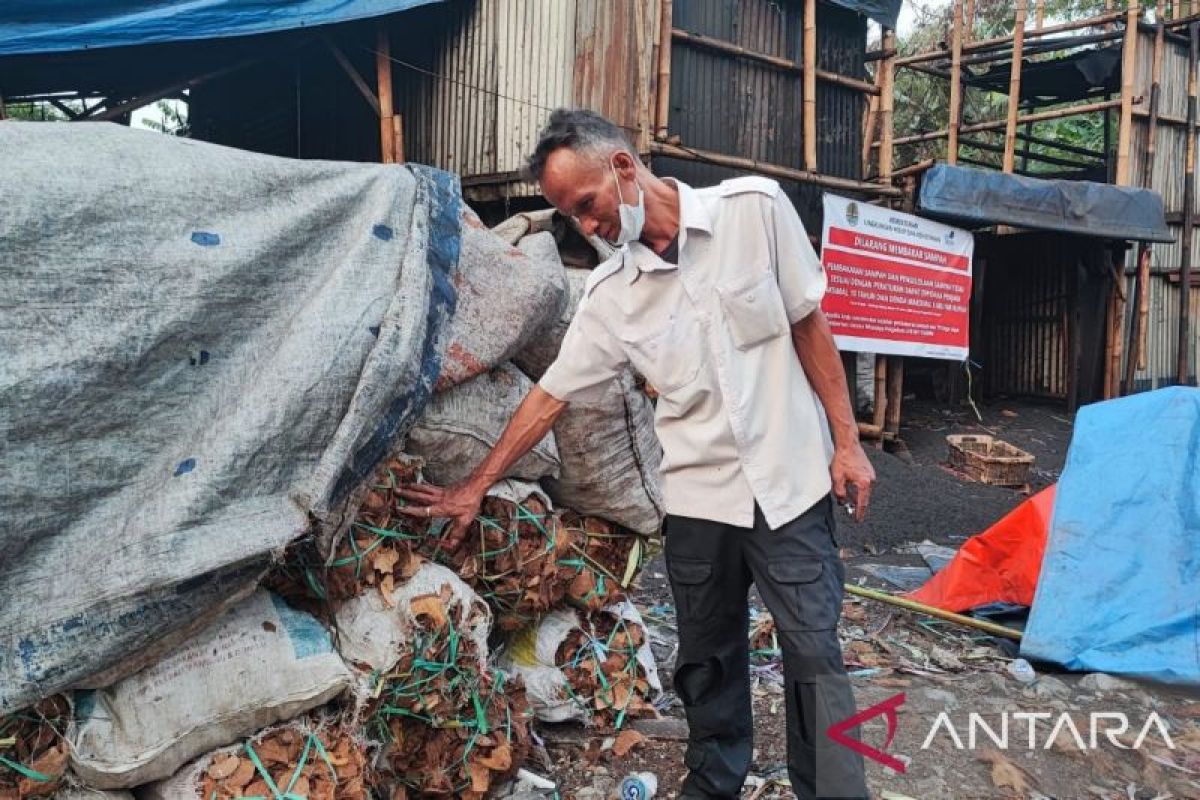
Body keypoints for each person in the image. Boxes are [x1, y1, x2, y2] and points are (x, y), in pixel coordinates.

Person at [397, 108, 874, 799]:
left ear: (623, 167)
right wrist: (475, 485)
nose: (586, 226)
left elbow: (809, 325)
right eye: (569, 216)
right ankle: (712, 784)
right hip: (698, 502)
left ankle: (834, 790)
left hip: (790, 484)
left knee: (813, 652)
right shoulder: (611, 295)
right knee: (708, 659)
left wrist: (849, 444)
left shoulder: (754, 211)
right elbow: (548, 399)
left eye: (586, 205)